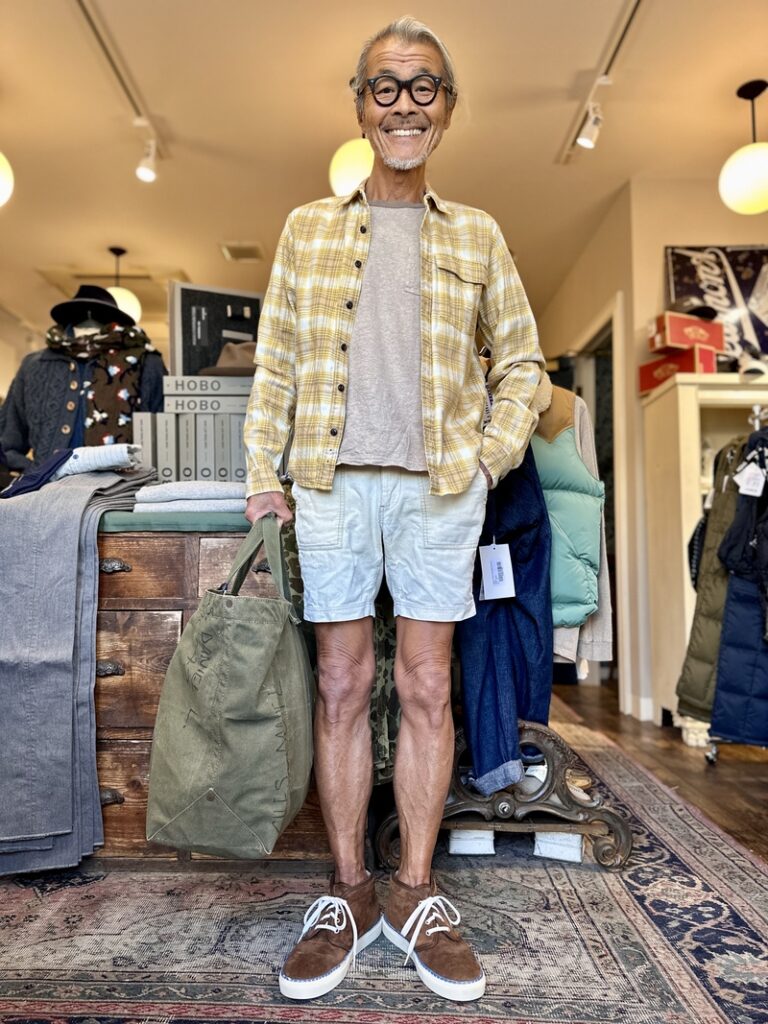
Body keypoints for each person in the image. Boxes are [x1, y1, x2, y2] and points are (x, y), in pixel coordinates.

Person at [244, 16, 544, 1003]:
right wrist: (262, 474)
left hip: (437, 490)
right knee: (340, 684)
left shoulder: (479, 233)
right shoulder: (307, 229)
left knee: (425, 685)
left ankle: (415, 890)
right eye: (385, 86)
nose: (404, 104)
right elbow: (276, 367)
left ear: (447, 107)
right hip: (330, 485)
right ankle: (347, 890)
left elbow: (526, 364)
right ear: (360, 103)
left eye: (424, 87)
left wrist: (489, 458)